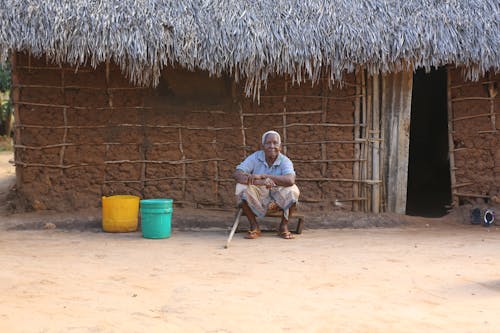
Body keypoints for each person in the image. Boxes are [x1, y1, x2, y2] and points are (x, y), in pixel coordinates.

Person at [233, 130, 300, 239]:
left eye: (275, 143)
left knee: (293, 190)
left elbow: (290, 180)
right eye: (268, 143)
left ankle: (283, 226)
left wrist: (264, 176)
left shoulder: (285, 160)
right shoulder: (255, 157)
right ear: (262, 146)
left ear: (280, 147)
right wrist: (261, 182)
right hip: (259, 194)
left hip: (277, 196)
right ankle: (254, 226)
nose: (271, 146)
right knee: (241, 188)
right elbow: (237, 174)